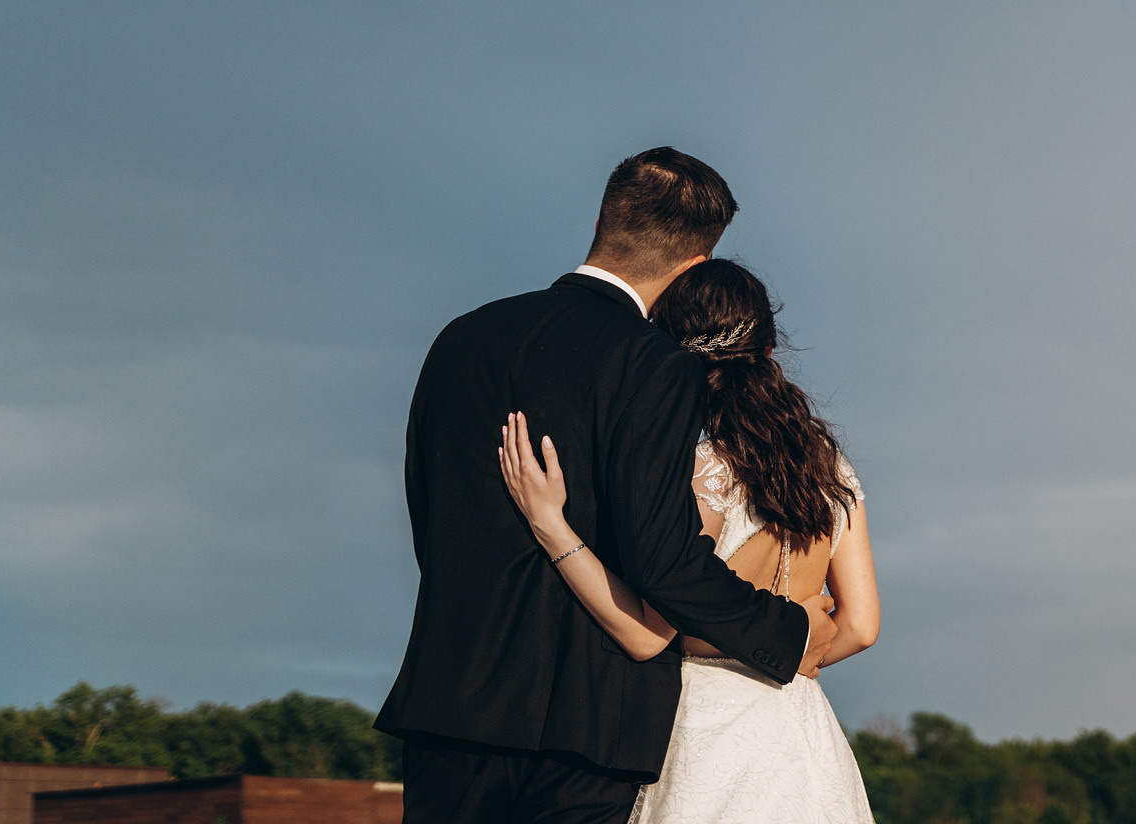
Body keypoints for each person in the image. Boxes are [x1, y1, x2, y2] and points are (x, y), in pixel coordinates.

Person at [377, 148, 837, 824]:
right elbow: (665, 562)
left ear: (602, 218)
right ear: (696, 266)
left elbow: (431, 522)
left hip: (452, 710)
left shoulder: (460, 339)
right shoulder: (655, 366)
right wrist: (784, 629)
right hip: (588, 728)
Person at [497, 257, 880, 824]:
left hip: (706, 736)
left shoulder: (703, 473)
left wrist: (549, 523)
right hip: (804, 738)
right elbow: (861, 627)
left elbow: (645, 632)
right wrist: (796, 647)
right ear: (770, 352)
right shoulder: (829, 469)